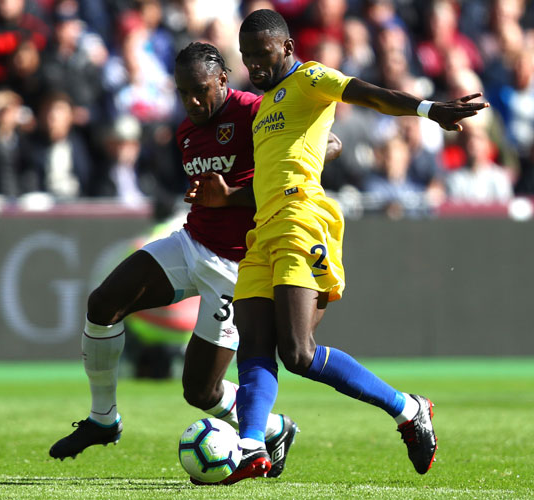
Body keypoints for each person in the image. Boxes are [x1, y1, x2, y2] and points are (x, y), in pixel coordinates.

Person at [196, 9, 486, 484]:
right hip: (262, 230)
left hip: (301, 220)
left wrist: (429, 110)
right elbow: (282, 168)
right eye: (247, 57)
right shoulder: (266, 106)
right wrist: (228, 196)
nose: (255, 65)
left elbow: (369, 94)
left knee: (298, 353)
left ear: (286, 48)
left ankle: (408, 408)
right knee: (253, 348)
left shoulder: (310, 78)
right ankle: (251, 445)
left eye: (262, 54)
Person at [48, 41, 342, 481]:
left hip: (238, 266)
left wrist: (236, 195)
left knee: (200, 391)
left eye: (200, 90)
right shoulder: (185, 128)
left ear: (223, 79)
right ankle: (103, 419)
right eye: (183, 91)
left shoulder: (255, 110)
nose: (192, 101)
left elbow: (330, 141)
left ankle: (275, 427)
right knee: (102, 303)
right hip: (192, 244)